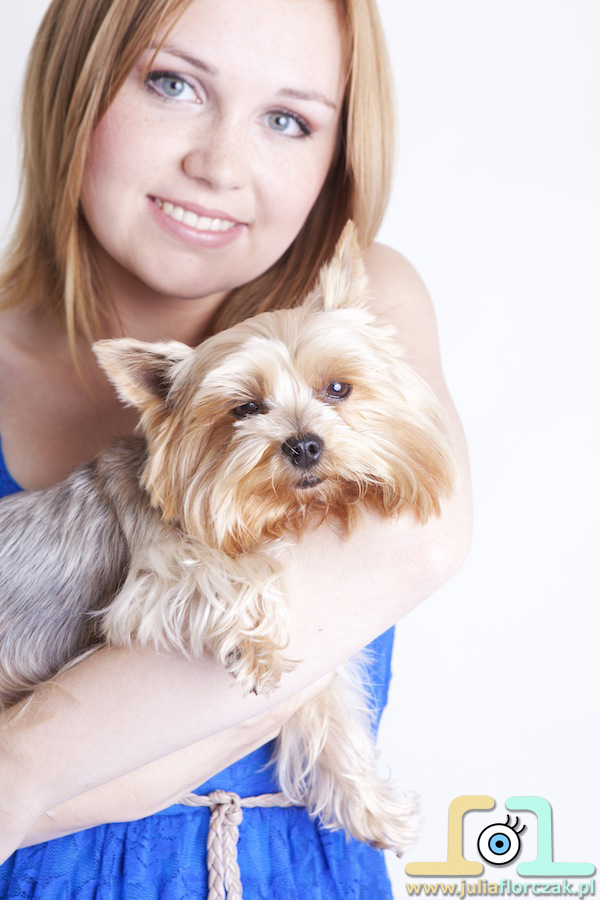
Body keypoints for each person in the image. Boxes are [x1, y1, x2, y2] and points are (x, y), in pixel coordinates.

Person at [0, 0, 472, 896]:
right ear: (73, 85)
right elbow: (247, 676)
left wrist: (17, 770)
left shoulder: (363, 297)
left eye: (288, 119)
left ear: (337, 153)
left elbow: (413, 544)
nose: (218, 166)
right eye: (171, 84)